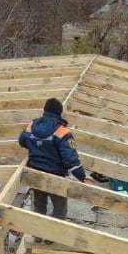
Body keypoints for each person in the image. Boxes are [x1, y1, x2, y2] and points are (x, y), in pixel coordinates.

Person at [19, 98, 87, 231]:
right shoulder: (63, 132)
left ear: (45, 110)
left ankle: (38, 235)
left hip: (36, 174)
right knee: (60, 207)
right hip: (56, 176)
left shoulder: (32, 125)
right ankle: (53, 235)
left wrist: (37, 146)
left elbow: (22, 141)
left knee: (39, 206)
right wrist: (82, 176)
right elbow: (70, 160)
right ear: (59, 113)